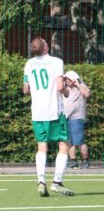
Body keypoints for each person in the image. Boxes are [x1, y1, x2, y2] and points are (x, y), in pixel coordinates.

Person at [23, 37, 74, 197]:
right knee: (64, 145)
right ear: (45, 47)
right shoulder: (56, 61)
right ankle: (57, 182)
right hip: (53, 110)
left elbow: (26, 89)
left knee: (41, 146)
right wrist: (67, 90)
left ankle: (41, 181)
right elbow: (60, 87)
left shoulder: (29, 64)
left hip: (37, 112)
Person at [63, 71, 91, 169]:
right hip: (66, 118)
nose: (67, 81)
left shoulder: (81, 87)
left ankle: (85, 160)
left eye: (69, 79)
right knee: (69, 142)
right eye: (66, 79)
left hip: (77, 118)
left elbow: (87, 94)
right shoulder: (65, 89)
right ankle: (73, 161)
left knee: (79, 142)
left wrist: (78, 84)